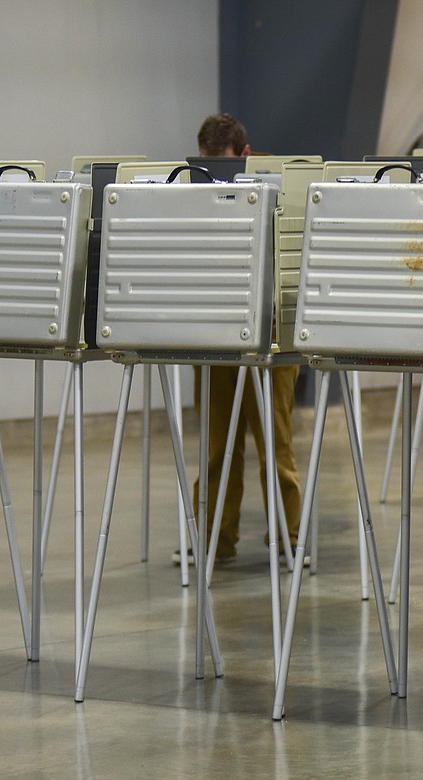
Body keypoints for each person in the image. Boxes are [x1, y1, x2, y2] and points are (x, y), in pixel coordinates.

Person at [177, 112, 304, 567]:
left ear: (245, 155)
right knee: (216, 448)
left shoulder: (283, 185)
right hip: (214, 332)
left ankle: (290, 538)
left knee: (276, 445)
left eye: (225, 165)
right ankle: (213, 538)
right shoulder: (195, 187)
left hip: (269, 334)